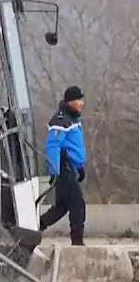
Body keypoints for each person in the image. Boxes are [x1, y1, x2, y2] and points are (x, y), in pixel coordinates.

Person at [39, 85, 88, 246]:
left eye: (82, 99)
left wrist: (79, 167)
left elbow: (73, 147)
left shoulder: (73, 118)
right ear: (70, 101)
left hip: (70, 168)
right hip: (62, 168)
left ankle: (37, 226)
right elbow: (52, 146)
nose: (82, 103)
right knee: (77, 203)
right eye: (79, 100)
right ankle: (77, 243)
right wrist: (55, 172)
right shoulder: (61, 120)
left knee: (62, 206)